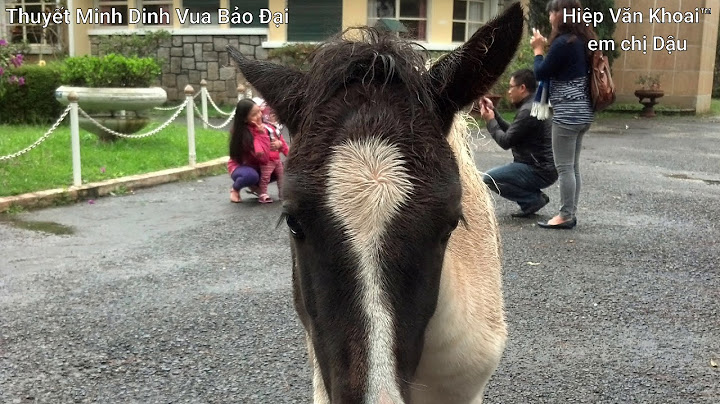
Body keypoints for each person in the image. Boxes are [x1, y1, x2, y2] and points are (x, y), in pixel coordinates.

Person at [531, 0, 597, 229]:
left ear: (561, 14)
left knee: (565, 167)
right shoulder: (584, 40)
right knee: (573, 167)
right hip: (583, 110)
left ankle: (566, 215)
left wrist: (538, 50)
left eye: (552, 11)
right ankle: (570, 212)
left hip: (568, 113)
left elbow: (541, 72)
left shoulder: (563, 43)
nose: (549, 15)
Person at [479, 69, 557, 217]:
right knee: (496, 176)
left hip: (538, 169)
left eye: (511, 87)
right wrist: (494, 113)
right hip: (545, 167)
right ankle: (533, 198)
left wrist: (490, 121)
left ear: (522, 88)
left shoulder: (528, 110)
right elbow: (514, 133)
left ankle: (532, 200)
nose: (509, 91)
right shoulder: (535, 104)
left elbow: (506, 141)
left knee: (489, 178)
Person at [228, 99, 286, 203]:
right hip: (242, 167)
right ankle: (235, 189)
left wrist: (279, 144)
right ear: (245, 119)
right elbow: (263, 158)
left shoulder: (267, 126)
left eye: (259, 111)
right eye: (254, 115)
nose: (259, 116)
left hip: (259, 166)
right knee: (250, 176)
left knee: (285, 167)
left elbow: (279, 139)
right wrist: (262, 134)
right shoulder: (243, 135)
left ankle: (255, 186)